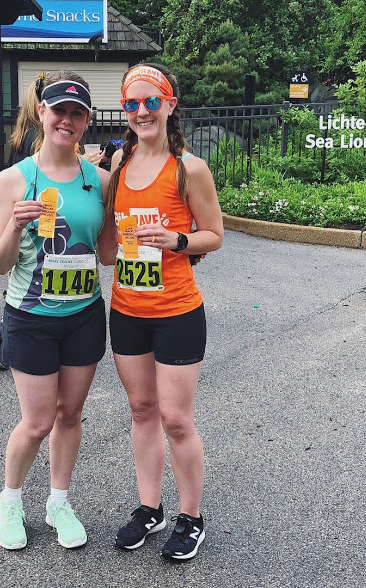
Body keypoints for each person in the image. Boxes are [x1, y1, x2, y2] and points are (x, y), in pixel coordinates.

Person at [0, 71, 115, 550]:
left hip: (84, 314)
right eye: (59, 110)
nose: (67, 120)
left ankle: (58, 502)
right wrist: (15, 228)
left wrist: (160, 239)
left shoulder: (99, 180)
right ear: (41, 112)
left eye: (77, 113)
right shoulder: (13, 180)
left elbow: (108, 254)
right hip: (30, 316)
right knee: (38, 421)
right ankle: (10, 500)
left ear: (87, 121)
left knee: (70, 414)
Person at [105, 63, 224, 560]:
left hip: (176, 310)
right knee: (141, 410)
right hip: (127, 308)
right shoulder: (120, 160)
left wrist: (176, 240)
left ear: (170, 105)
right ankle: (149, 508)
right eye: (131, 103)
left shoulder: (188, 168)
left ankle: (191, 517)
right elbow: (108, 244)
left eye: (151, 101)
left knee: (175, 418)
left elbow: (214, 235)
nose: (141, 112)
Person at [0, 80, 44, 369]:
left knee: (17, 285)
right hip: (37, 219)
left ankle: (1, 340)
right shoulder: (40, 138)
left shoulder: (20, 135)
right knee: (25, 287)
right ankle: (1, 341)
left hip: (15, 216)